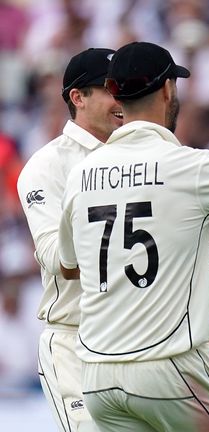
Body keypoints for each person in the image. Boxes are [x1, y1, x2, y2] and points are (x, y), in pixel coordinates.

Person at [56, 41, 209, 432]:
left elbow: (69, 268)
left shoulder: (81, 174)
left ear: (117, 95)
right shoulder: (190, 166)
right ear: (168, 90)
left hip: (98, 376)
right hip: (168, 369)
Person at [16, 47, 122, 432]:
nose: (121, 100)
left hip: (137, 339)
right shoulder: (47, 166)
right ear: (78, 97)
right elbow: (54, 258)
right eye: (110, 90)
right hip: (76, 339)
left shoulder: (141, 156)